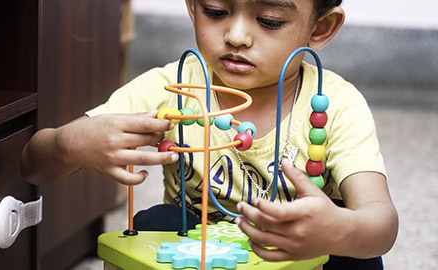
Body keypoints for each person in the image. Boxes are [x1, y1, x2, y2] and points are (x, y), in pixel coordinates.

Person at [21, 0, 398, 268]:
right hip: (195, 249)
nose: (236, 35)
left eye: (268, 20)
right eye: (215, 11)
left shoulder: (336, 104)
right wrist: (69, 145)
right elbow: (34, 167)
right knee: (155, 222)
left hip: (302, 253)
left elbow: (381, 222)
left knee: (356, 254)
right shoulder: (171, 87)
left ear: (320, 28)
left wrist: (340, 230)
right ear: (191, 6)